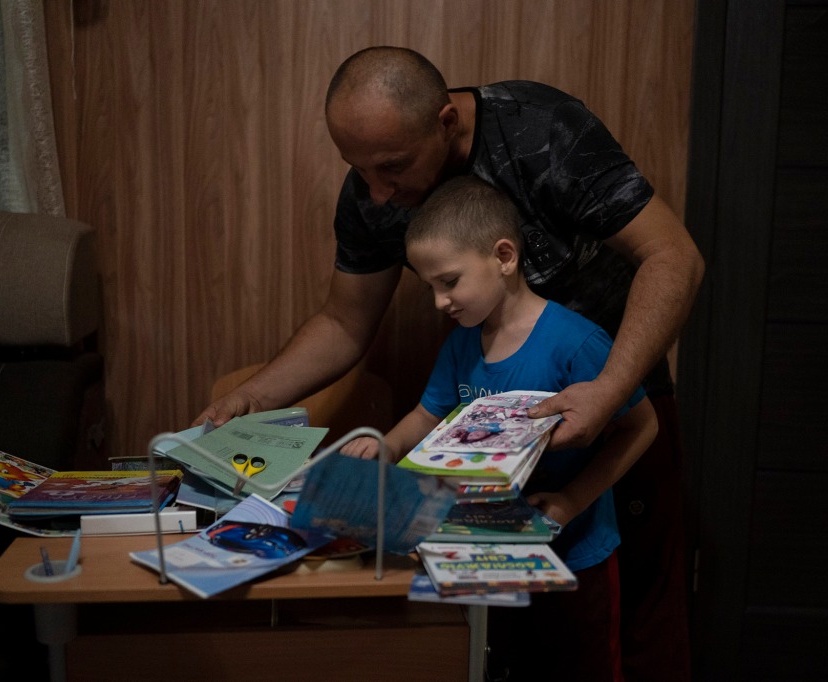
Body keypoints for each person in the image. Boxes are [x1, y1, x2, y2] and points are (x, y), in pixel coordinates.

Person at [195, 46, 704, 680]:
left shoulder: (540, 129)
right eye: (359, 171)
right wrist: (254, 398)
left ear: (445, 122)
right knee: (511, 644)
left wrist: (609, 390)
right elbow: (344, 322)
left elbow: (673, 257)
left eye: (392, 168)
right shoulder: (375, 192)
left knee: (636, 622)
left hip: (616, 393)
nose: (377, 194)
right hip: (503, 471)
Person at [341, 174, 658, 680]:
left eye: (449, 282)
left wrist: (574, 499)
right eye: (430, 288)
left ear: (504, 257)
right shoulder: (461, 344)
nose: (439, 302)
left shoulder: (576, 343)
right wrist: (384, 446)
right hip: (486, 559)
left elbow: (642, 427)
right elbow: (428, 415)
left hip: (576, 561)